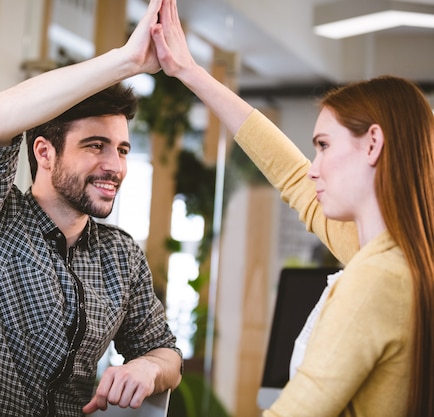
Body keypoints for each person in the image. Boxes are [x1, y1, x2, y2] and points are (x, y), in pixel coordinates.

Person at [150, 0, 434, 416]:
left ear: (373, 144)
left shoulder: (377, 277)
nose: (313, 169)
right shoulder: (399, 257)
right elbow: (290, 172)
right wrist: (191, 73)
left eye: (323, 146)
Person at [0, 1, 183, 415]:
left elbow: (166, 353)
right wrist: (126, 61)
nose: (115, 166)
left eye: (123, 150)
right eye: (95, 145)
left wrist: (149, 366)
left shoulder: (121, 256)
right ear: (44, 152)